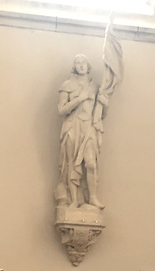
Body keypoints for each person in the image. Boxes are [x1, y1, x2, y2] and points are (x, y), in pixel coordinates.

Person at [56, 55, 105, 209]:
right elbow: (61, 110)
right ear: (74, 67)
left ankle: (92, 198)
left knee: (90, 163)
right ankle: (74, 200)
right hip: (73, 127)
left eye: (83, 62)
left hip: (89, 127)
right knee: (71, 163)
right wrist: (79, 99)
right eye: (77, 63)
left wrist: (106, 104)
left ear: (87, 65)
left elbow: (101, 114)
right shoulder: (67, 85)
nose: (81, 65)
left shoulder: (96, 87)